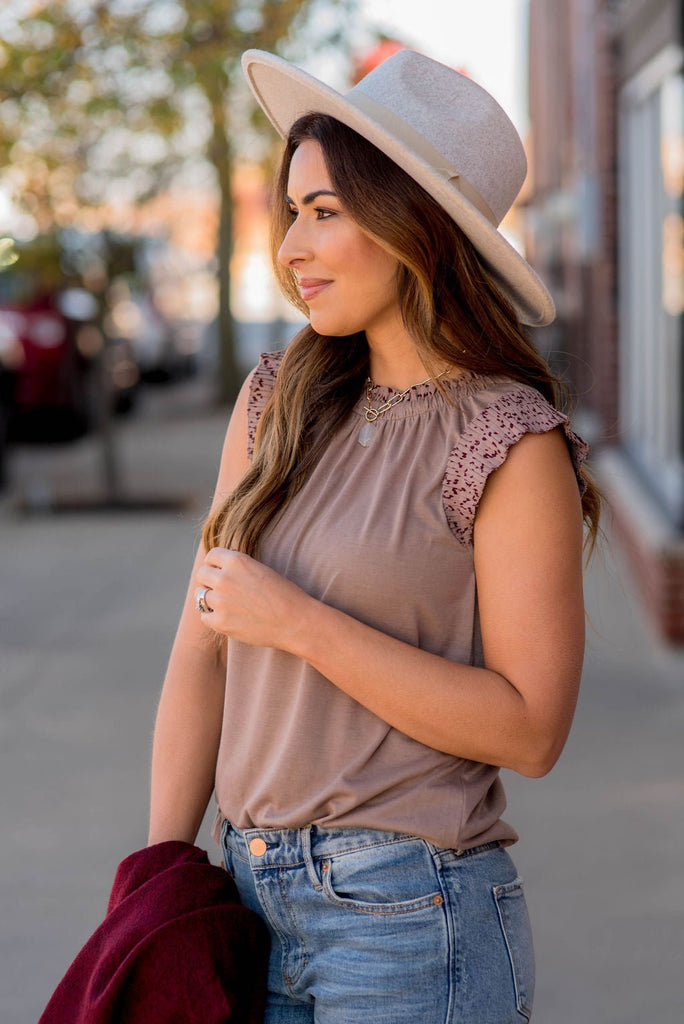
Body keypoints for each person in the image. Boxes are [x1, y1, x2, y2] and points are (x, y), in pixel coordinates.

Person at [148, 48, 601, 1023]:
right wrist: (159, 874)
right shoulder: (275, 401)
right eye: (292, 210)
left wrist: (302, 623)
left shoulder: (509, 441)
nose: (290, 247)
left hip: (408, 916)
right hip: (247, 895)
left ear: (414, 227)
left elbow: (531, 728)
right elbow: (202, 653)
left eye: (325, 212)